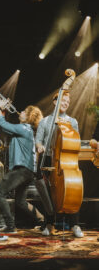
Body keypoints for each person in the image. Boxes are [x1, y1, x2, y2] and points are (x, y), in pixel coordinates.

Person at [35, 91, 83, 238]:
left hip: (66, 161)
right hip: (50, 158)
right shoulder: (45, 121)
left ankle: (74, 224)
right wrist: (40, 146)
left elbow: (76, 142)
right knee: (50, 193)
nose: (65, 103)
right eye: (63, 101)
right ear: (55, 102)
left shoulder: (72, 121)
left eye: (68, 102)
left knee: (71, 189)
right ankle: (50, 223)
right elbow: (38, 140)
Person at [0, 100, 45, 233]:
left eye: (23, 111)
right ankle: (42, 220)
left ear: (28, 116)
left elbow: (1, 123)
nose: (20, 112)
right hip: (28, 171)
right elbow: (5, 127)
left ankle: (10, 226)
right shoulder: (28, 130)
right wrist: (3, 112)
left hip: (21, 169)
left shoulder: (23, 128)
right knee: (20, 202)